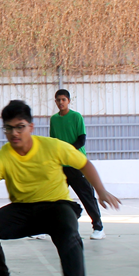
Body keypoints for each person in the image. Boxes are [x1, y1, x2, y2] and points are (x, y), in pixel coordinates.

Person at [0, 100, 121, 276]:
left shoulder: (52, 146)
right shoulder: (3, 156)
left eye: (20, 127)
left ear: (31, 127)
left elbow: (84, 164)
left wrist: (101, 190)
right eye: (8, 128)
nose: (14, 133)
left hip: (56, 206)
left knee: (69, 233)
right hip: (23, 209)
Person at [49, 89, 104, 240]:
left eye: (63, 99)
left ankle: (98, 228)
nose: (61, 102)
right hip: (61, 165)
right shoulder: (54, 119)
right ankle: (46, 228)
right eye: (58, 100)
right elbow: (53, 142)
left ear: (68, 101)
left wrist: (68, 152)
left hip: (77, 164)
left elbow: (81, 140)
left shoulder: (76, 117)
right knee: (52, 197)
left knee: (87, 196)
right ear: (55, 102)